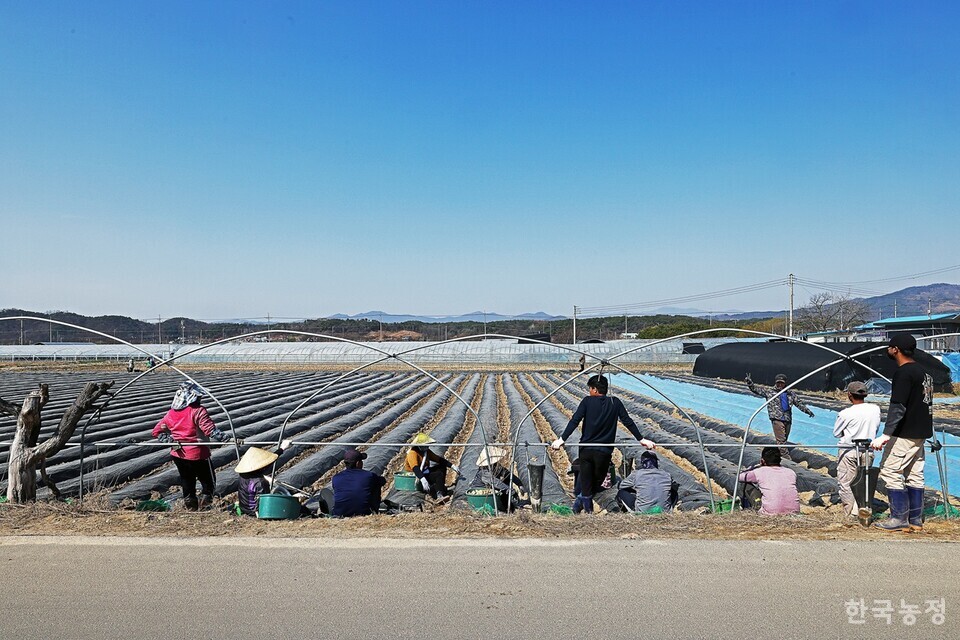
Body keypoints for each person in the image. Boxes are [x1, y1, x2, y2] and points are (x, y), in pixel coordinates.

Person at [551, 374, 656, 514]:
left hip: (586, 450)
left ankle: (581, 509)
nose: (589, 391)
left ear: (594, 389)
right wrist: (641, 439)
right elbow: (627, 421)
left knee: (588, 484)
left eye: (590, 388)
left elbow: (575, 420)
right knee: (596, 482)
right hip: (604, 452)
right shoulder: (615, 402)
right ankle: (584, 510)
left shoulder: (587, 402)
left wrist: (561, 440)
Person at [871, 333, 934, 532]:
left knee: (891, 470)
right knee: (915, 474)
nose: (888, 350)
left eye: (890, 347)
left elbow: (898, 406)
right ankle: (916, 520)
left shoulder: (904, 373)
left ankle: (898, 518)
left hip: (905, 433)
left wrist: (885, 435)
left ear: (896, 349)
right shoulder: (924, 373)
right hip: (921, 432)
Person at [152, 382, 231, 510]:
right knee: (208, 482)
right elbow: (209, 430)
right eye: (199, 397)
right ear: (193, 397)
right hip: (198, 454)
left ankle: (191, 508)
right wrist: (225, 438)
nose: (200, 399)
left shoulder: (171, 413)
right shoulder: (198, 411)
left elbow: (157, 431)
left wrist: (167, 438)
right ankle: (205, 506)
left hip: (178, 454)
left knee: (187, 480)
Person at [833, 381, 881, 519]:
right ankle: (862, 509)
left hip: (849, 450)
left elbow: (837, 433)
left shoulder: (845, 413)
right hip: (868, 450)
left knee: (846, 482)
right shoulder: (875, 409)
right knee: (863, 482)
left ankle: (850, 514)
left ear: (849, 394)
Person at [745, 372, 815, 460]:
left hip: (787, 419)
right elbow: (755, 389)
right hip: (777, 419)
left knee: (784, 439)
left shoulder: (790, 394)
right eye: (778, 383)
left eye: (781, 383)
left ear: (785, 383)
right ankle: (787, 458)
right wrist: (749, 383)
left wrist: (807, 411)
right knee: (781, 440)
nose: (780, 385)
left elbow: (799, 404)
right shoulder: (769, 392)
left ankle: (779, 456)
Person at [234, 439, 292, 516]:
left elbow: (268, 463)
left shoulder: (243, 475)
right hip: (254, 512)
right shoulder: (260, 482)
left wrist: (282, 448)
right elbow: (265, 502)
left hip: (244, 508)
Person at [737, 447, 800, 515]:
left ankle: (751, 507)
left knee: (745, 484)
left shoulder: (760, 472)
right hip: (793, 512)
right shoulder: (790, 472)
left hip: (771, 513)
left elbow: (740, 476)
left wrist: (753, 467)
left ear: (763, 461)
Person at [331, 448, 386, 517]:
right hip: (365, 512)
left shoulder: (336, 477)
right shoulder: (369, 476)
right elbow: (383, 481)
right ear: (358, 463)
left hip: (339, 514)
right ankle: (373, 511)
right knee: (376, 485)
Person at [468, 446, 526, 510]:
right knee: (504, 488)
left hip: (491, 488)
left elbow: (507, 474)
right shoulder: (484, 472)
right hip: (482, 494)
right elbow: (497, 483)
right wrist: (511, 491)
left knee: (506, 480)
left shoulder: (495, 466)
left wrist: (519, 483)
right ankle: (507, 506)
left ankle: (509, 505)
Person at [404, 433, 460, 499]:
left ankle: (441, 488)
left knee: (442, 466)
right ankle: (438, 494)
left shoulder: (426, 452)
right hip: (417, 475)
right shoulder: (412, 453)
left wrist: (452, 466)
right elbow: (415, 468)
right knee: (438, 474)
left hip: (425, 471)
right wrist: (422, 479)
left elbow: (438, 459)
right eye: (425, 445)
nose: (427, 447)